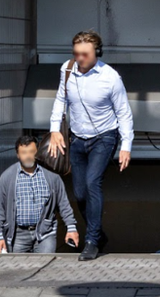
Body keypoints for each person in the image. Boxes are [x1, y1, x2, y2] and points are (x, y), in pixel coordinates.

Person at [45, 30, 133, 261]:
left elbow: (124, 113)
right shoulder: (67, 69)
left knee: (93, 182)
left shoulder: (110, 77)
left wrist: (126, 145)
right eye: (76, 53)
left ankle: (92, 240)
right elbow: (60, 100)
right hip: (77, 138)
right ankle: (99, 234)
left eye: (84, 54)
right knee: (80, 193)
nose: (80, 58)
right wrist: (55, 129)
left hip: (104, 137)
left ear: (97, 53)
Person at [0, 134, 79, 255]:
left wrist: (71, 228)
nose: (28, 156)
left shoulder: (51, 177)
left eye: (31, 152)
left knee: (45, 268)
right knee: (19, 269)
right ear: (18, 155)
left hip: (45, 233)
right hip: (18, 235)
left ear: (37, 152)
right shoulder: (8, 177)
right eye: (24, 152)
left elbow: (63, 204)